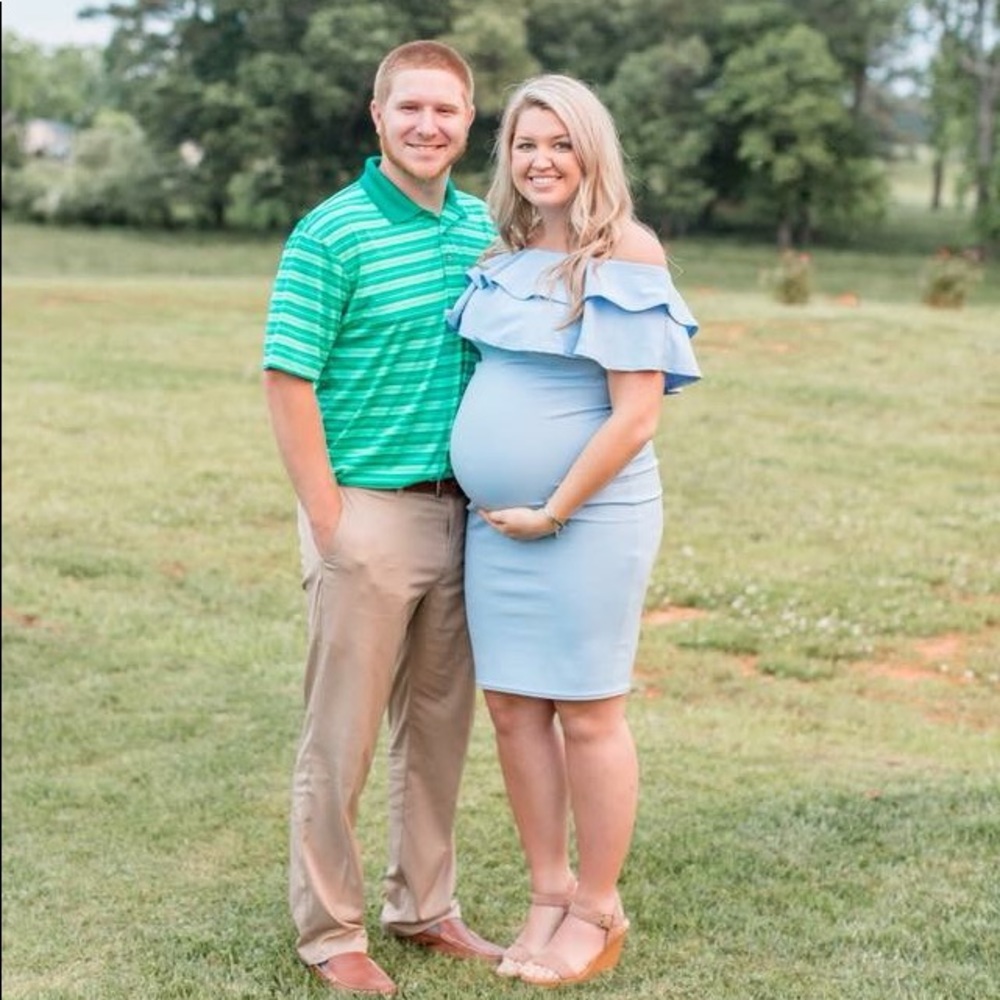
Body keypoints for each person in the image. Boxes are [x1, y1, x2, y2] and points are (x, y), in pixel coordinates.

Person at [446, 74, 702, 988]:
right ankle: (547, 894)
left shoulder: (626, 250)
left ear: (591, 152)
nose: (542, 160)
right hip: (497, 529)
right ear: (507, 157)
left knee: (588, 715)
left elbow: (635, 417)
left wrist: (552, 509)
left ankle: (598, 907)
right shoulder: (508, 248)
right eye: (525, 144)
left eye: (560, 143)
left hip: (586, 522)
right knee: (514, 710)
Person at [261, 40, 502, 997]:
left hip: (464, 515)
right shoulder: (332, 233)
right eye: (410, 109)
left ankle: (424, 906)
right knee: (343, 735)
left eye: (445, 111)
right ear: (377, 117)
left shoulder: (483, 226)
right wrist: (329, 519)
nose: (427, 126)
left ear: (467, 123)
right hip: (366, 511)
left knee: (439, 729)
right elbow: (288, 381)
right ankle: (330, 932)